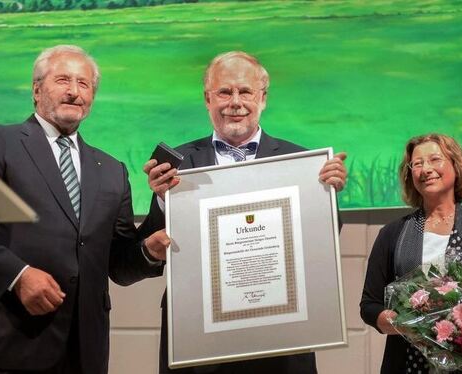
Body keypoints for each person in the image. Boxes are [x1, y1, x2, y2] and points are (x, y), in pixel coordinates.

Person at [0, 45, 167, 374]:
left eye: (84, 84)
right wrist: (18, 275)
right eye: (63, 80)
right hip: (6, 345)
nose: (74, 92)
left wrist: (148, 251)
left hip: (84, 352)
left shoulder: (112, 169)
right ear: (36, 90)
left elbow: (118, 265)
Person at [139, 51, 347, 374]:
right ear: (207, 99)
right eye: (224, 92)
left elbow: (324, 241)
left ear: (262, 98)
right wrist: (164, 200)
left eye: (245, 91)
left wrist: (327, 194)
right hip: (199, 340)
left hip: (281, 337)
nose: (235, 102)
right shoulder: (177, 165)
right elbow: (148, 250)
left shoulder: (300, 162)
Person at [359, 133, 462, 374]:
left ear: (456, 166)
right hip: (411, 365)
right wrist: (409, 324)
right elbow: (369, 306)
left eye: (434, 159)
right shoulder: (392, 234)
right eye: (417, 164)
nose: (425, 169)